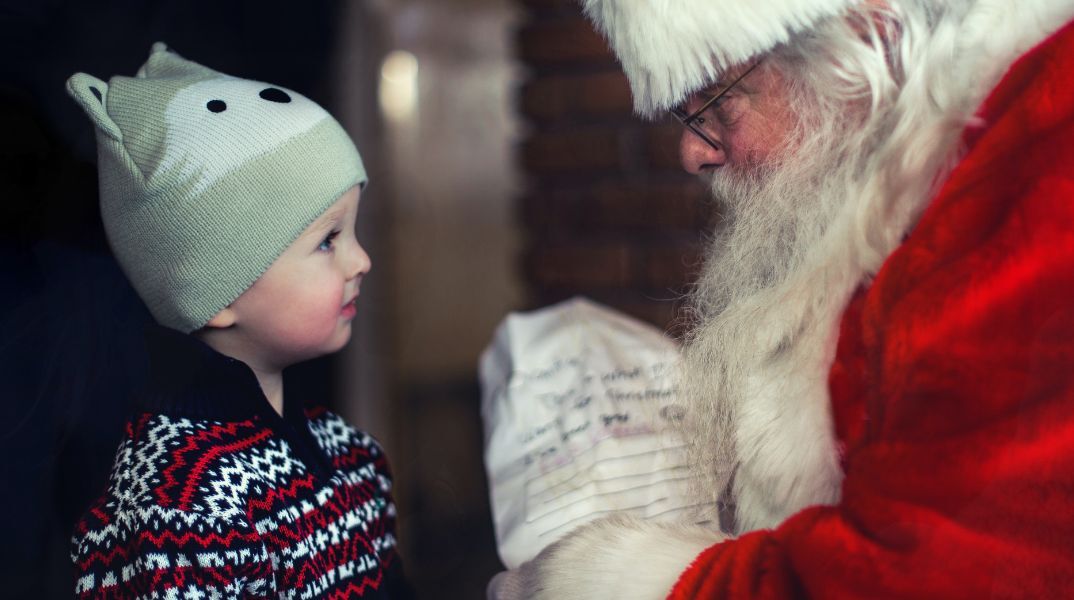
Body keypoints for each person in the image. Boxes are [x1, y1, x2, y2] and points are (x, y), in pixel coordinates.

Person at [490, 0, 1074, 597]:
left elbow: (935, 572)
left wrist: (629, 581)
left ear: (867, 36)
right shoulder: (922, 167)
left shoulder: (1046, 155)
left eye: (716, 102)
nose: (693, 154)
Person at [66, 43, 409, 598]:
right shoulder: (176, 506)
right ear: (217, 291)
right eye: (328, 240)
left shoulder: (352, 455)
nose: (361, 260)